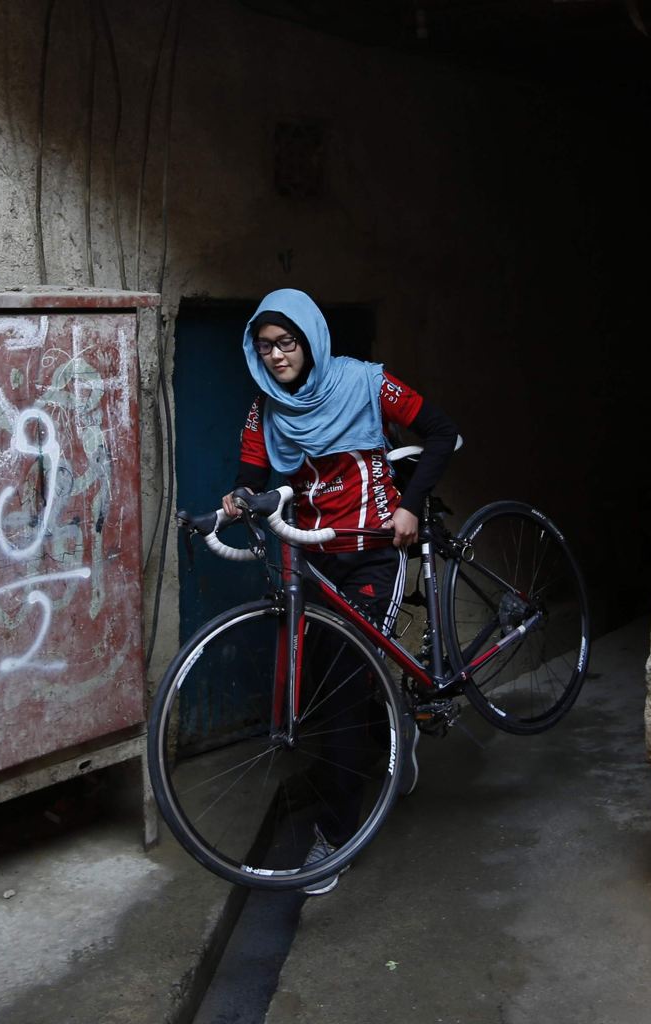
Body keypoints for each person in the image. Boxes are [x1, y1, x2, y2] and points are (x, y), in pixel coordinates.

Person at [221, 288, 458, 895]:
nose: (276, 356)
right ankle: (390, 739)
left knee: (347, 685)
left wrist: (411, 505)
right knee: (327, 685)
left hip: (375, 550)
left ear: (310, 339)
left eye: (287, 343)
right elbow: (252, 477)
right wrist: (236, 501)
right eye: (265, 345)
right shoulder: (266, 407)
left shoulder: (366, 383)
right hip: (315, 557)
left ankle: (336, 839)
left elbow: (439, 431)